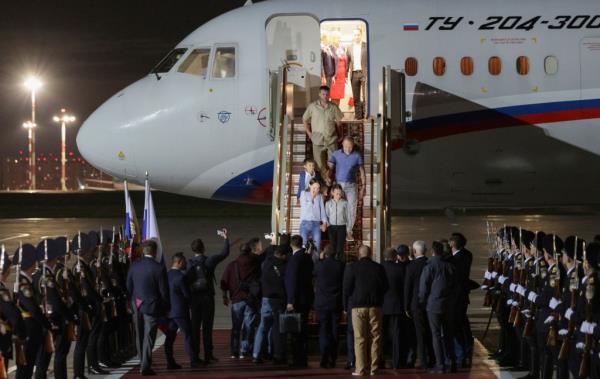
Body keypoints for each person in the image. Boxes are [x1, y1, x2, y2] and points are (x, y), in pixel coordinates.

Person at [126, 239, 171, 376]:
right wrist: (166, 307)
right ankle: (145, 366)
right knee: (148, 336)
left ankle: (142, 360)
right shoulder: (158, 267)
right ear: (155, 252)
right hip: (151, 305)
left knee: (139, 334)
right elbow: (163, 291)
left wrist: (133, 300)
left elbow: (129, 286)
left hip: (136, 303)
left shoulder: (134, 266)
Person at [343, 245, 389, 376]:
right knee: (375, 337)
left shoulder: (351, 267)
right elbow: (385, 286)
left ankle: (360, 369)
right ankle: (374, 368)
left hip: (357, 307)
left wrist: (346, 305)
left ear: (359, 254)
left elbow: (346, 289)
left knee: (359, 338)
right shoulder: (379, 268)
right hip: (375, 307)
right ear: (370, 254)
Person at [186, 229, 230, 364]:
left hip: (194, 299)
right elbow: (224, 253)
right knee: (207, 327)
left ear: (193, 250)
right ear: (203, 248)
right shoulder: (209, 260)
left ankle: (195, 355)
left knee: (195, 328)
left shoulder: (189, 264)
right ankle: (208, 354)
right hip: (207, 298)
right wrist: (226, 238)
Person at [419, 241, 458, 374]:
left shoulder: (429, 267)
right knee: (448, 334)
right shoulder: (450, 266)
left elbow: (424, 288)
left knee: (436, 335)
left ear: (432, 251)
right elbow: (456, 286)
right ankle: (452, 362)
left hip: (434, 304)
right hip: (449, 305)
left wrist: (422, 301)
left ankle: (440, 365)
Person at [220, 239, 263, 359]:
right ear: (250, 251)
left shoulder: (232, 265)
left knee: (236, 327)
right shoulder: (255, 263)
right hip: (250, 300)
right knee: (249, 327)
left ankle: (234, 351)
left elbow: (224, 283)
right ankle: (245, 349)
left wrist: (224, 296)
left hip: (236, 300)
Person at [252, 244, 287, 364]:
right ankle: (276, 353)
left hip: (266, 299)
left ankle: (256, 354)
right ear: (282, 255)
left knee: (262, 327)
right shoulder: (283, 266)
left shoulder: (265, 264)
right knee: (277, 328)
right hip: (278, 300)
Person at [328, 136, 366, 242]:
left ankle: (348, 231)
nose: (348, 149)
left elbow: (362, 172)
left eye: (350, 147)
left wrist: (363, 187)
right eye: (346, 147)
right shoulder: (336, 154)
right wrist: (327, 176)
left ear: (353, 145)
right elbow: (330, 169)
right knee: (337, 207)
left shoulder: (357, 155)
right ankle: (336, 230)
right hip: (339, 185)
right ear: (342, 145)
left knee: (351, 209)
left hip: (352, 186)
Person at [285, 235, 314, 368]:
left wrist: (290, 300)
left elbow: (292, 281)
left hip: (297, 299)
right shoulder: (307, 257)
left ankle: (298, 359)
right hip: (307, 298)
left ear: (291, 245)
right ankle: (303, 358)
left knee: (296, 331)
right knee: (304, 330)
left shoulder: (294, 259)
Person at [165, 252, 198, 369]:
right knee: (188, 335)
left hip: (170, 311)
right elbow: (187, 295)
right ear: (179, 262)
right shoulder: (181, 277)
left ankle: (170, 361)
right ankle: (194, 360)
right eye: (183, 262)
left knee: (170, 337)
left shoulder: (166, 275)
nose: (185, 264)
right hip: (180, 311)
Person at [314, 244, 345, 368]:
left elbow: (314, 275)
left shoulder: (319, 265)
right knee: (335, 330)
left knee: (323, 329)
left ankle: (323, 355)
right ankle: (333, 357)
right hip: (336, 302)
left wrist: (320, 259)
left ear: (325, 253)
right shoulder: (341, 266)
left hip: (322, 302)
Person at [404, 240, 434, 369]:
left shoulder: (411, 266)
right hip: (431, 303)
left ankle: (423, 360)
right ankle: (433, 357)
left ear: (414, 252)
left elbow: (407, 288)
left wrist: (406, 306)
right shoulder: (431, 264)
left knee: (420, 333)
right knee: (432, 331)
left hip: (416, 304)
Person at [303, 85, 344, 172]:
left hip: (331, 139)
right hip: (317, 140)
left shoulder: (334, 107)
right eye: (323, 94)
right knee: (319, 164)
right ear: (319, 94)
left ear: (329, 95)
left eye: (327, 94)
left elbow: (339, 122)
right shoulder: (312, 107)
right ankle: (321, 183)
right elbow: (304, 119)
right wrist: (309, 133)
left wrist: (341, 134)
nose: (325, 96)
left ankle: (330, 181)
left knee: (333, 163)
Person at [449, 232, 474, 368]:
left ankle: (462, 353)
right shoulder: (466, 254)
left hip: (457, 297)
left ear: (453, 243)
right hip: (462, 295)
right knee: (462, 322)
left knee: (457, 324)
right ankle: (466, 347)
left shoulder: (457, 258)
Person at [381, 247, 407, 369]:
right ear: (394, 256)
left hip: (381, 305)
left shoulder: (379, 268)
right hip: (397, 305)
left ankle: (380, 361)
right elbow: (404, 288)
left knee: (381, 334)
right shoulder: (400, 269)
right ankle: (397, 362)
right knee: (397, 334)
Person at [299, 179, 328, 262]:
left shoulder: (319, 196)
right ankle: (303, 264)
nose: (316, 190)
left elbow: (322, 210)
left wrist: (325, 223)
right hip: (305, 223)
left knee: (317, 247)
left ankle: (314, 266)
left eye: (318, 188)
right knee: (303, 245)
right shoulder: (303, 194)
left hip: (316, 224)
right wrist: (312, 196)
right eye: (314, 187)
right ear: (310, 186)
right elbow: (305, 208)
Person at [347, 28, 368, 119]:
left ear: (361, 35)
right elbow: (347, 62)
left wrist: (367, 73)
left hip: (364, 74)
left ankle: (366, 114)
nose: (356, 36)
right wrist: (345, 74)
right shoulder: (349, 47)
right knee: (356, 97)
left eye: (358, 34)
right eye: (355, 35)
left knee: (365, 96)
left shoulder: (366, 46)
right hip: (354, 74)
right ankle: (358, 116)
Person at [326, 184, 349, 261]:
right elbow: (326, 216)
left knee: (340, 248)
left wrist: (348, 228)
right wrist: (328, 225)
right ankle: (332, 264)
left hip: (342, 227)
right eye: (337, 194)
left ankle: (340, 264)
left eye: (340, 193)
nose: (338, 195)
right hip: (331, 227)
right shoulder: (328, 203)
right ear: (332, 193)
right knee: (332, 247)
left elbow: (348, 216)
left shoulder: (345, 203)